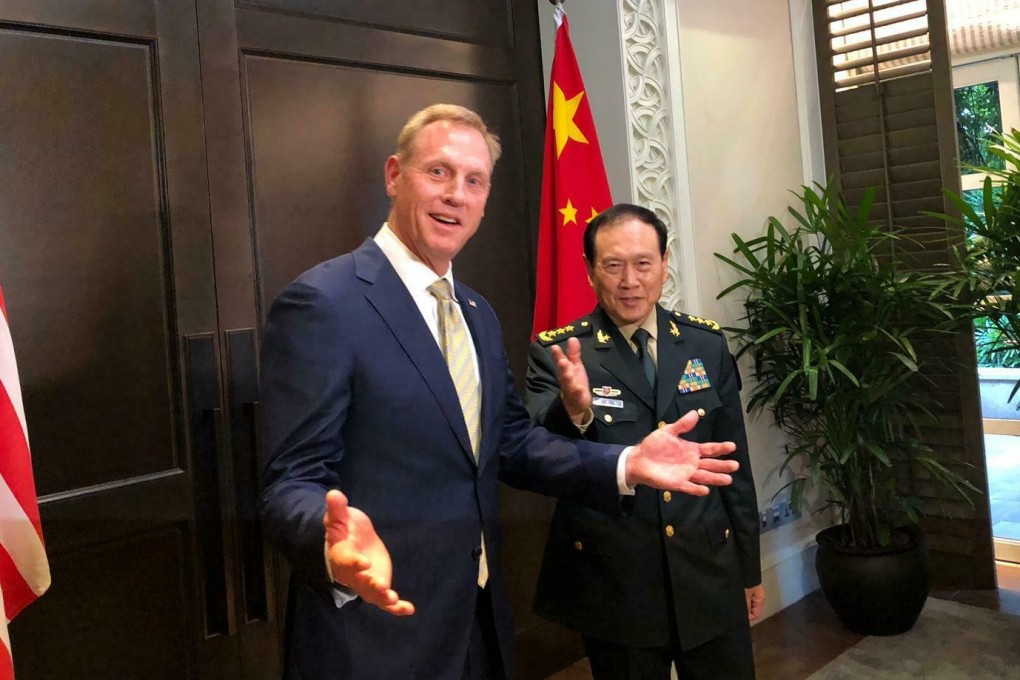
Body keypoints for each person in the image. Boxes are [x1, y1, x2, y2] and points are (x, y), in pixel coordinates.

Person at [258, 105, 741, 680]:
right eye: (438, 172)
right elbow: (290, 481)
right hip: (374, 632)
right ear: (394, 175)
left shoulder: (477, 314)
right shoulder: (325, 302)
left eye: (474, 180)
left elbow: (513, 443)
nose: (456, 194)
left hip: (479, 621)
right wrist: (328, 540)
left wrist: (626, 462)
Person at [525, 203, 764, 680]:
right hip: (618, 584)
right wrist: (573, 409)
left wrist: (749, 565)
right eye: (613, 265)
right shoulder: (560, 351)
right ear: (590, 271)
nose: (629, 280)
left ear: (664, 263)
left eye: (642, 263)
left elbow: (734, 465)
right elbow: (533, 452)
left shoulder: (705, 345)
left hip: (708, 572)